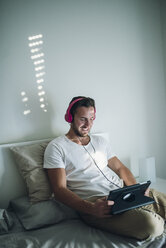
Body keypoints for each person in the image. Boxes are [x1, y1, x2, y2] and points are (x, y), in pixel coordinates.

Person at [44, 96, 166, 240]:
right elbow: (59, 190)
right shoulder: (57, 147)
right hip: (96, 204)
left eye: (92, 119)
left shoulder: (100, 141)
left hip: (123, 193)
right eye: (83, 119)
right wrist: (91, 208)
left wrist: (136, 190)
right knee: (151, 225)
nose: (88, 124)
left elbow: (120, 168)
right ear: (70, 117)